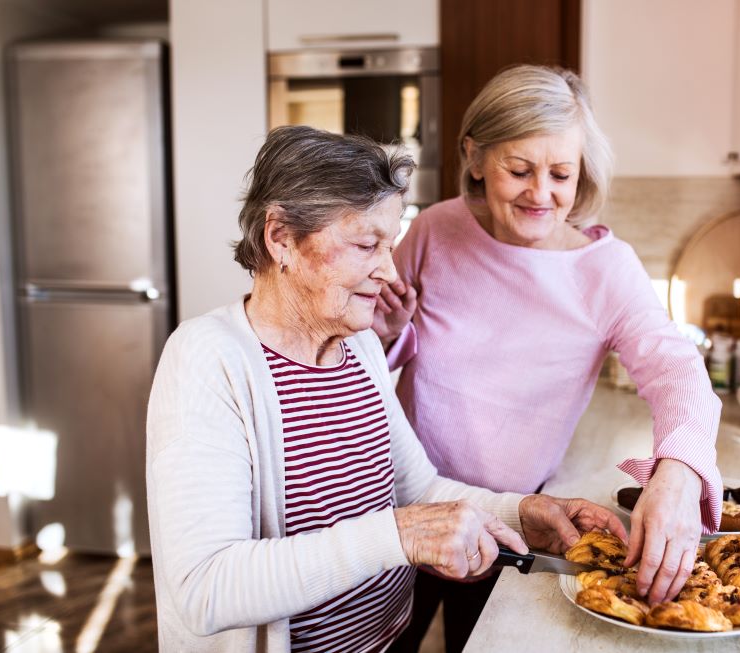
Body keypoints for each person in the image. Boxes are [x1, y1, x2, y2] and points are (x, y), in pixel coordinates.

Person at [146, 126, 626, 653]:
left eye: (390, 245)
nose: (389, 270)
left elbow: (416, 490)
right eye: (365, 245)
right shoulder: (208, 360)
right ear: (280, 236)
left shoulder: (361, 347)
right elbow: (206, 587)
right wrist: (398, 536)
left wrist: (524, 513)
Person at [373, 65, 724, 652]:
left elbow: (676, 371)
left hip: (510, 526)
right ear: (475, 156)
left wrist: (682, 473)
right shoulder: (434, 230)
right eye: (519, 170)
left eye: (561, 173)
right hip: (398, 508)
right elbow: (359, 360)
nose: (542, 194)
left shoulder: (605, 271)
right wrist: (386, 335)